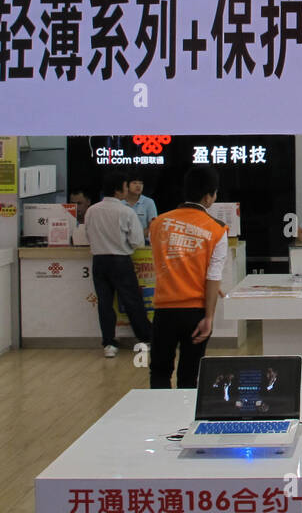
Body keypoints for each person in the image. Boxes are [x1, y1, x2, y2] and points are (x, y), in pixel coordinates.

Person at [148, 166, 230, 389]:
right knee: (189, 375)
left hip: (164, 311)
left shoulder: (157, 224)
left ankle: (160, 421)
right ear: (208, 196)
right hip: (195, 311)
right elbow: (212, 276)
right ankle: (185, 422)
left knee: (159, 371)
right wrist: (209, 317)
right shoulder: (217, 229)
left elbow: (170, 262)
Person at [83, 170, 150, 358]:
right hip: (120, 260)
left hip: (99, 260)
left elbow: (87, 235)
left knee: (104, 303)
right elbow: (137, 241)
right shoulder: (126, 211)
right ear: (119, 189)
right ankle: (145, 338)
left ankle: (109, 344)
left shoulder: (92, 210)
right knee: (132, 301)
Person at [124, 171, 158, 236]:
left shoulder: (149, 202)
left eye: (141, 183)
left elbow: (153, 226)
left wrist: (136, 236)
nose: (138, 186)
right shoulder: (120, 202)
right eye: (134, 183)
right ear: (126, 185)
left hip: (144, 241)